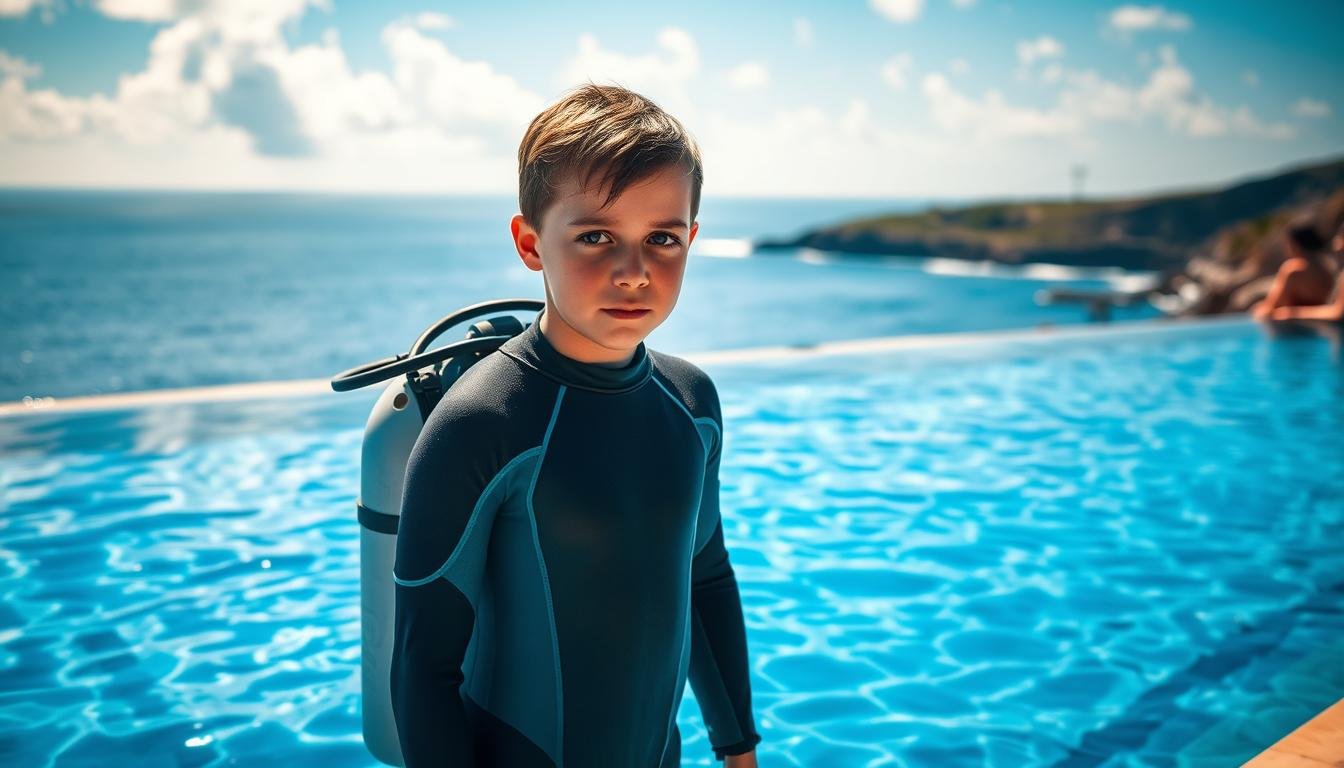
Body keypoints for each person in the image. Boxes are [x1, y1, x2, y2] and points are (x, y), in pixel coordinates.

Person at [388, 83, 762, 768]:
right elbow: (422, 667)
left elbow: (705, 578)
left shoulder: (692, 404)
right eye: (595, 236)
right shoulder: (482, 424)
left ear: (691, 240)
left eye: (662, 238)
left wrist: (739, 750)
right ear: (530, 244)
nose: (634, 272)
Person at [1250, 222, 1340, 321]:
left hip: (1298, 330)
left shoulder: (1294, 269)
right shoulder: (1327, 268)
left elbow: (1269, 310)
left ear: (1295, 244)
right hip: (1323, 328)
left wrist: (1258, 310)